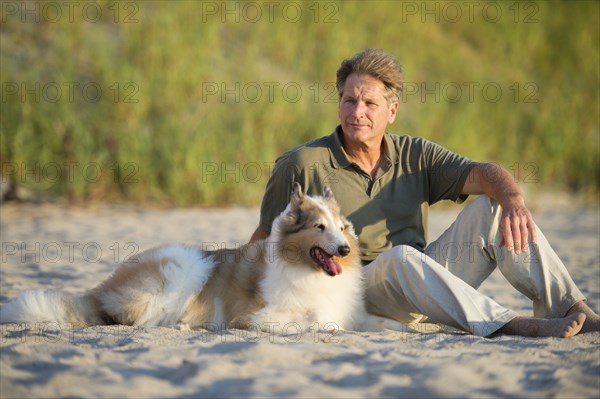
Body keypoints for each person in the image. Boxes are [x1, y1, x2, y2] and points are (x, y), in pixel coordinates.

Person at [250, 48, 599, 338]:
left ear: (392, 111)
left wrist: (512, 199)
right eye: (349, 100)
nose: (357, 113)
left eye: (369, 104)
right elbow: (262, 242)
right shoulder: (302, 163)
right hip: (355, 292)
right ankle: (513, 324)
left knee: (493, 209)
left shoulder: (416, 154)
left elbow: (482, 173)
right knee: (401, 259)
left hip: (426, 288)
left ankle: (572, 307)